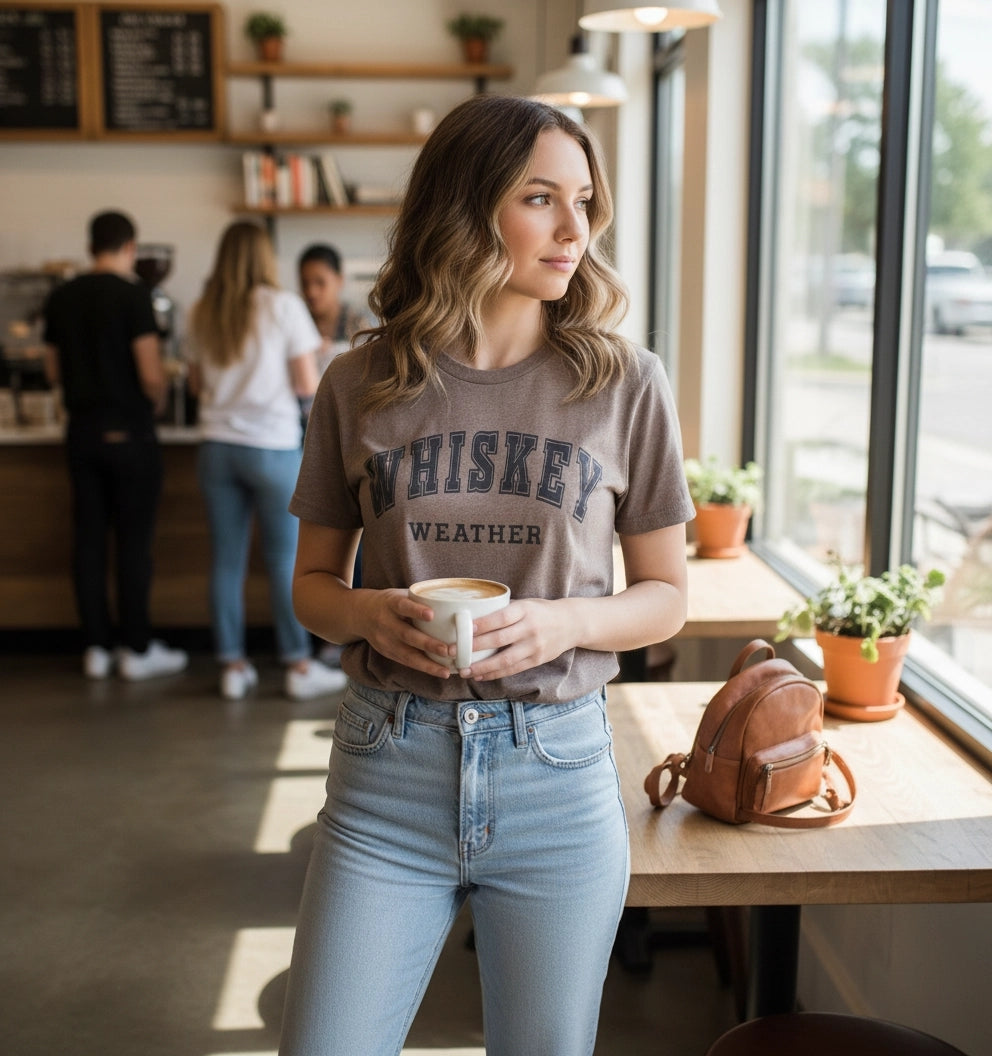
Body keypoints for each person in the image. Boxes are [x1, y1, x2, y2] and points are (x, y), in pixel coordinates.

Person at [279, 95, 694, 1055]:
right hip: (388, 773)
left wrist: (563, 624)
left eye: (583, 200)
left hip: (556, 770)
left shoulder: (626, 382)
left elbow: (668, 598)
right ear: (466, 212)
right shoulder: (362, 381)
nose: (573, 229)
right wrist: (367, 615)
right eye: (540, 198)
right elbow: (308, 587)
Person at [184, 221, 346, 702]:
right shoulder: (283, 307)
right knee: (283, 561)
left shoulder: (201, 312)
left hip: (215, 448)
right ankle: (298, 665)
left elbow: (194, 386)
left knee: (226, 562)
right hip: (271, 448)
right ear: (264, 258)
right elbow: (304, 384)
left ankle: (232, 666)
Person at [42, 210, 188, 681]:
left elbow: (51, 372)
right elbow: (150, 372)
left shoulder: (61, 297)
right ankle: (137, 649)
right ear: (130, 247)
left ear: (90, 247)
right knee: (133, 544)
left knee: (87, 540)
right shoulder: (134, 296)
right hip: (130, 434)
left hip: (81, 433)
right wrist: (160, 396)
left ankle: (96, 648)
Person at [296, 242, 376, 375]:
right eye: (305, 283)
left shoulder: (361, 324)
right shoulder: (297, 323)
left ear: (340, 280)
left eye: (320, 282)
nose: (311, 292)